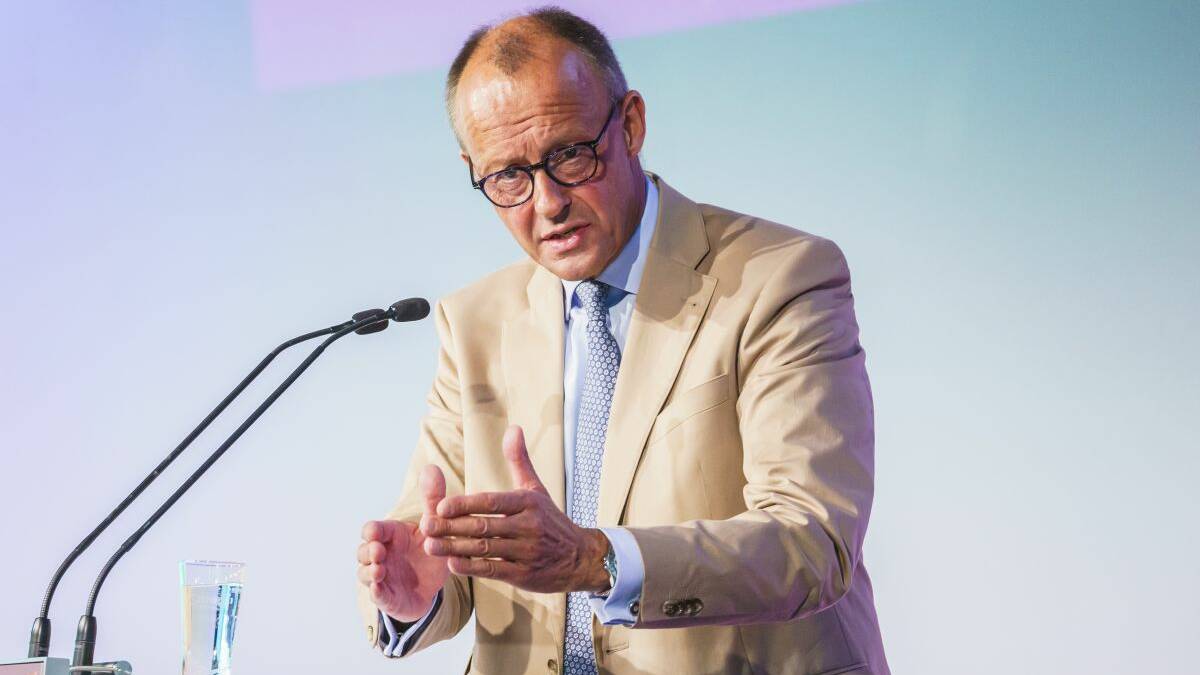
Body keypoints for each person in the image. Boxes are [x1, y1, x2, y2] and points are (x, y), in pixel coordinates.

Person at [355, 7, 888, 674]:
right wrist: (417, 596)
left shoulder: (778, 279)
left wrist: (594, 559)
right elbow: (441, 551)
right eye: (508, 176)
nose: (547, 202)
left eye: (569, 155)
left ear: (631, 124)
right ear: (474, 169)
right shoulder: (473, 324)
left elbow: (810, 540)